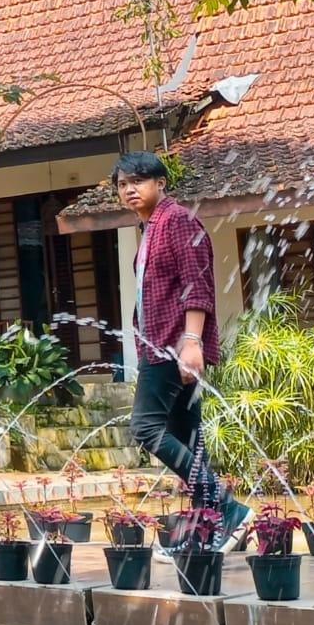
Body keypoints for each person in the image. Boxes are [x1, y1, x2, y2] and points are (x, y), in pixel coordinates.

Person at [112, 151, 252, 550]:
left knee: (145, 428)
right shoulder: (150, 229)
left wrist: (192, 341)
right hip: (158, 345)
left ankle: (228, 508)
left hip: (173, 347)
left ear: (161, 183)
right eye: (123, 184)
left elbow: (197, 284)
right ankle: (207, 528)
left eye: (138, 181)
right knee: (186, 440)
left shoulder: (177, 221)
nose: (130, 189)